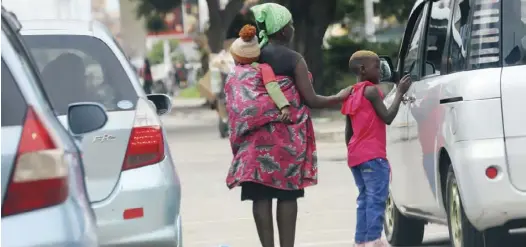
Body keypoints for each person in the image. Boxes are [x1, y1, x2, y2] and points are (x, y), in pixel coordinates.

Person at [224, 3, 352, 247]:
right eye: (290, 25)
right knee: (286, 195)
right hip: (285, 140)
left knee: (260, 196)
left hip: (254, 141)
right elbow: (311, 99)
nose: (293, 28)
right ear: (282, 31)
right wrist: (340, 97)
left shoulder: (250, 55)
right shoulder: (293, 59)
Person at [341, 50, 412, 247]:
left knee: (364, 199)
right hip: (373, 156)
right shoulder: (372, 91)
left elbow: (349, 131)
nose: (380, 71)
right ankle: (374, 240)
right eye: (376, 67)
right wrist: (399, 92)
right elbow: (387, 117)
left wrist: (353, 153)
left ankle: (360, 241)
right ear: (363, 69)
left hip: (356, 156)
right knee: (377, 199)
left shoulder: (351, 93)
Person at [229, 24, 291, 122]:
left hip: (240, 115)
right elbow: (272, 87)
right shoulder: (263, 68)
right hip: (260, 112)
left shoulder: (233, 72)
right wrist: (284, 107)